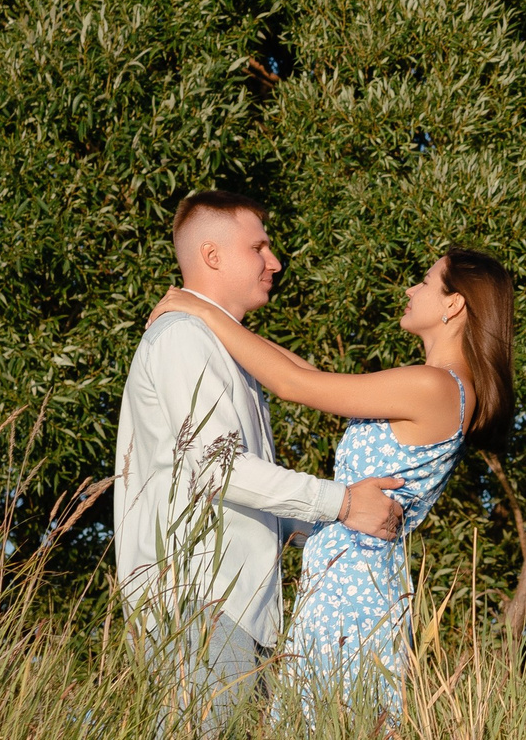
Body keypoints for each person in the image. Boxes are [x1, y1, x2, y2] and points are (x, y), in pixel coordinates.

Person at [150, 245, 514, 721]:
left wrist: (196, 307)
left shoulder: (435, 386)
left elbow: (293, 386)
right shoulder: (438, 384)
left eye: (424, 281)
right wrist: (216, 319)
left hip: (351, 592)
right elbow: (308, 374)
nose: (410, 289)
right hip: (348, 581)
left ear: (454, 304)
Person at [112, 190, 407, 733]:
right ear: (212, 254)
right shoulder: (182, 339)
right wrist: (340, 503)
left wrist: (326, 530)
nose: (275, 262)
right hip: (200, 599)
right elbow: (214, 468)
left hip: (236, 606)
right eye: (259, 247)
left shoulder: (224, 347)